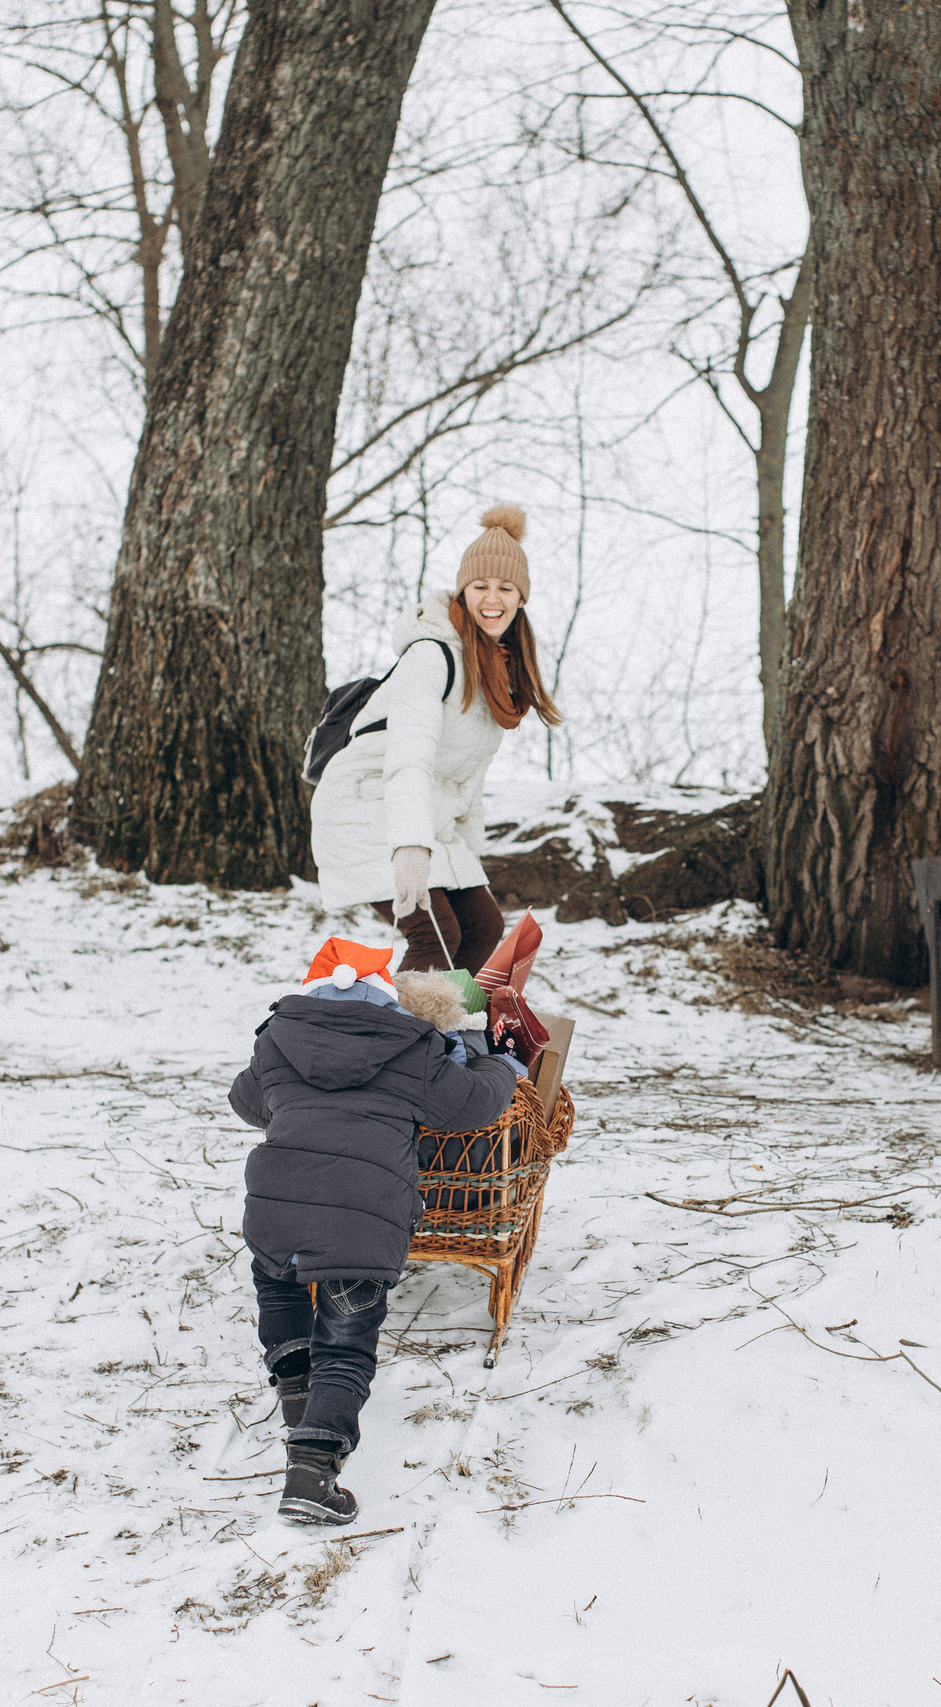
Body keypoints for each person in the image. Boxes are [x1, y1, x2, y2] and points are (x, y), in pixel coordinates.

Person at [228, 937, 521, 1526]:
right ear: (389, 1000)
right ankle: (312, 1472)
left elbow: (245, 1102)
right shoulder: (412, 1047)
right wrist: (497, 1061)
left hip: (276, 1207)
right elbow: (471, 1106)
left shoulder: (278, 1041)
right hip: (361, 1220)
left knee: (278, 1284)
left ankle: (294, 1384)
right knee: (345, 1344)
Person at [311, 503, 563, 973]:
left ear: (521, 598)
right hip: (367, 804)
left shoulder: (495, 677)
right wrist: (410, 847)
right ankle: (393, 1044)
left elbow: (466, 785)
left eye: (506, 588)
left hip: (421, 813)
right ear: (463, 590)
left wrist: (468, 864)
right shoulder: (431, 657)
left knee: (483, 927)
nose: (493, 598)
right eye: (480, 586)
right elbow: (409, 760)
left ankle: (440, 1039)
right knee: (436, 937)